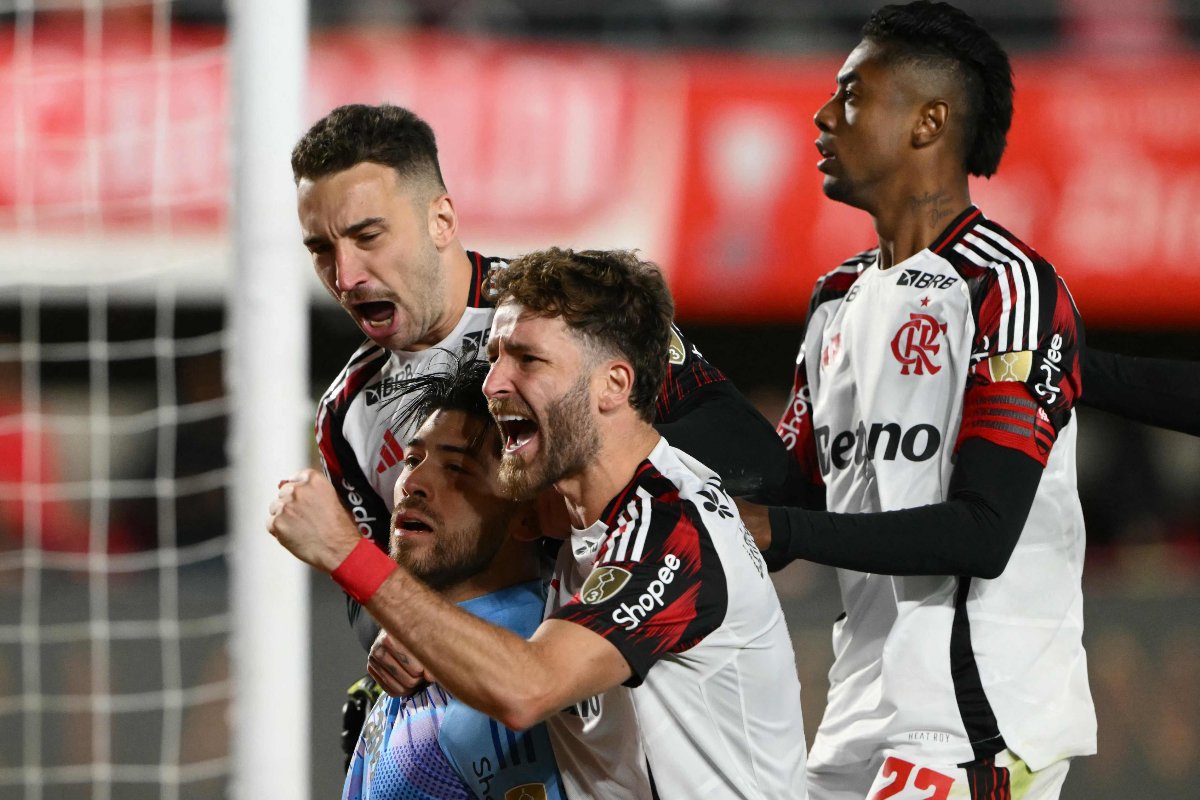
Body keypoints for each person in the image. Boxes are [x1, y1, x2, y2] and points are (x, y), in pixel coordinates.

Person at [268, 247, 808, 799]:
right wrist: (406, 630)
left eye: (528, 360)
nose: (494, 382)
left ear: (614, 386)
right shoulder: (579, 519)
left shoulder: (671, 528)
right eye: (498, 355)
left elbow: (528, 687)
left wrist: (345, 552)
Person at [742, 3, 1101, 797]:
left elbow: (983, 532)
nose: (823, 115)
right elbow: (787, 494)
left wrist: (780, 523)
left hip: (975, 715)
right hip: (857, 708)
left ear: (929, 121)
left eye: (853, 94)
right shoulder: (836, 296)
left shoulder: (1008, 287)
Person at [290, 103, 790, 654]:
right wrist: (392, 634)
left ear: (442, 222)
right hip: (494, 694)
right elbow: (371, 596)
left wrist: (570, 475)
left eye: (368, 237)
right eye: (321, 249)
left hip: (620, 667)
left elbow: (753, 459)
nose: (345, 277)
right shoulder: (346, 413)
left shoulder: (566, 311)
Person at [338, 351, 564, 800]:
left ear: (527, 517)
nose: (414, 483)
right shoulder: (395, 680)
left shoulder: (538, 668)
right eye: (412, 459)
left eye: (457, 468)